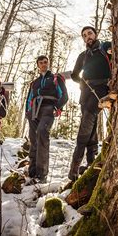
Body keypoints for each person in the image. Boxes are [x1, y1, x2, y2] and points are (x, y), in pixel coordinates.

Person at [68, 26, 111, 181]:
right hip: (85, 94)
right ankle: (91, 162)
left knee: (85, 126)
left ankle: (73, 169)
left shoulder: (105, 47)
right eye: (84, 35)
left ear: (95, 34)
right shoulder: (82, 56)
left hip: (101, 90)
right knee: (91, 128)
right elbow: (74, 75)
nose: (88, 37)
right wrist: (82, 82)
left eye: (90, 34)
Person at [25, 55, 68, 183]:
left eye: (45, 62)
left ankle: (41, 174)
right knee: (33, 139)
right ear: (38, 65)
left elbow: (64, 95)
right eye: (41, 63)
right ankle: (32, 172)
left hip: (48, 108)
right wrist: (28, 113)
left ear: (48, 64)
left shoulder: (56, 78)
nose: (44, 64)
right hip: (34, 111)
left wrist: (57, 107)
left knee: (42, 133)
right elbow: (29, 99)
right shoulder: (34, 83)